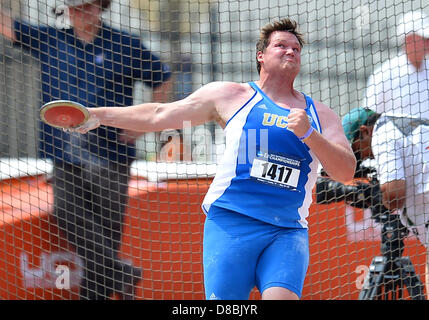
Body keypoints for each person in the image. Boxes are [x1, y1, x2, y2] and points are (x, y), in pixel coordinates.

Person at [67, 18, 356, 300]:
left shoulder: (319, 114)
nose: (290, 51)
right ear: (261, 56)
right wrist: (99, 115)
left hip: (287, 231)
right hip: (232, 223)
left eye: (296, 48)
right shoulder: (232, 95)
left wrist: (309, 134)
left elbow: (345, 171)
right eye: (281, 45)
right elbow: (160, 114)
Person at [0, 0, 172, 300]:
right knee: (66, 215)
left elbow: (163, 79)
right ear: (67, 10)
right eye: (76, 7)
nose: (82, 12)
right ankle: (123, 273)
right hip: (64, 154)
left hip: (111, 156)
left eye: (89, 6)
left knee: (106, 236)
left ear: (101, 7)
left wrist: (145, 126)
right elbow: (7, 27)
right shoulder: (50, 38)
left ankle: (102, 289)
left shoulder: (125, 44)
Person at [342, 107, 429, 298]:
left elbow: (395, 196)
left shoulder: (383, 132)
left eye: (357, 150)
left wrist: (377, 196)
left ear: (365, 131)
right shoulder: (410, 123)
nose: (363, 158)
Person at [363, 11, 429, 119]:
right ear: (409, 39)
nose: (428, 42)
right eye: (424, 38)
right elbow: (369, 117)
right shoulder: (384, 75)